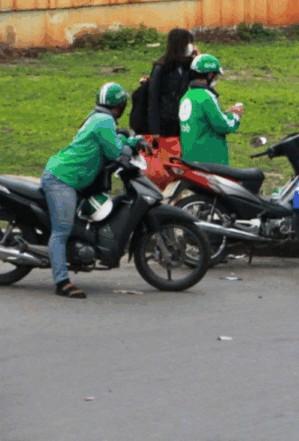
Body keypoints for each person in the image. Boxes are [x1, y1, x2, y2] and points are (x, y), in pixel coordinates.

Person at [42, 84, 150, 298]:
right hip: (63, 179)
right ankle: (62, 283)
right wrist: (130, 148)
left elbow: (112, 140)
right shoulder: (104, 121)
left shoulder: (98, 117)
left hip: (68, 176)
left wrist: (133, 141)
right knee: (61, 230)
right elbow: (114, 150)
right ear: (119, 106)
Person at [143, 28, 197, 178]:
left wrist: (197, 58)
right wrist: (154, 129)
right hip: (166, 121)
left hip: (183, 119)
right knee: (167, 160)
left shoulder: (187, 66)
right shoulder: (161, 67)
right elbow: (152, 99)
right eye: (188, 42)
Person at [178, 54, 242, 166]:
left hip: (190, 159)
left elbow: (202, 121)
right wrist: (235, 115)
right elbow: (223, 125)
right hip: (210, 161)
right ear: (210, 75)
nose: (216, 79)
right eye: (216, 75)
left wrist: (224, 114)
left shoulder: (187, 95)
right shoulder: (206, 96)